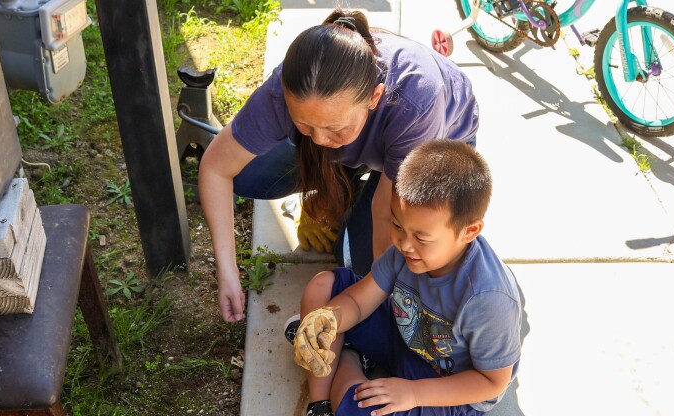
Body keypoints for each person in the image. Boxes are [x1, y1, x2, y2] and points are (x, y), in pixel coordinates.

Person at [198, 8, 479, 322]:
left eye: (334, 128)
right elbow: (216, 167)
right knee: (250, 175)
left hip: (434, 149)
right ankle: (345, 177)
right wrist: (228, 272)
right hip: (369, 138)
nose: (318, 140)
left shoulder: (417, 99)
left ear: (374, 97)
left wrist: (386, 305)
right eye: (304, 126)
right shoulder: (289, 86)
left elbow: (387, 211)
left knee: (359, 266)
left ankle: (351, 187)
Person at [284, 140, 521, 416]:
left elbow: (492, 382)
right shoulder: (407, 249)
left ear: (469, 231)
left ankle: (348, 355)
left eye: (421, 237)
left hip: (447, 381)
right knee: (322, 289)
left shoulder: (489, 298)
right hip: (406, 332)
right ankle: (321, 409)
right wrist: (330, 318)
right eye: (396, 225)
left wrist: (413, 392)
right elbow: (357, 299)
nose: (404, 244)